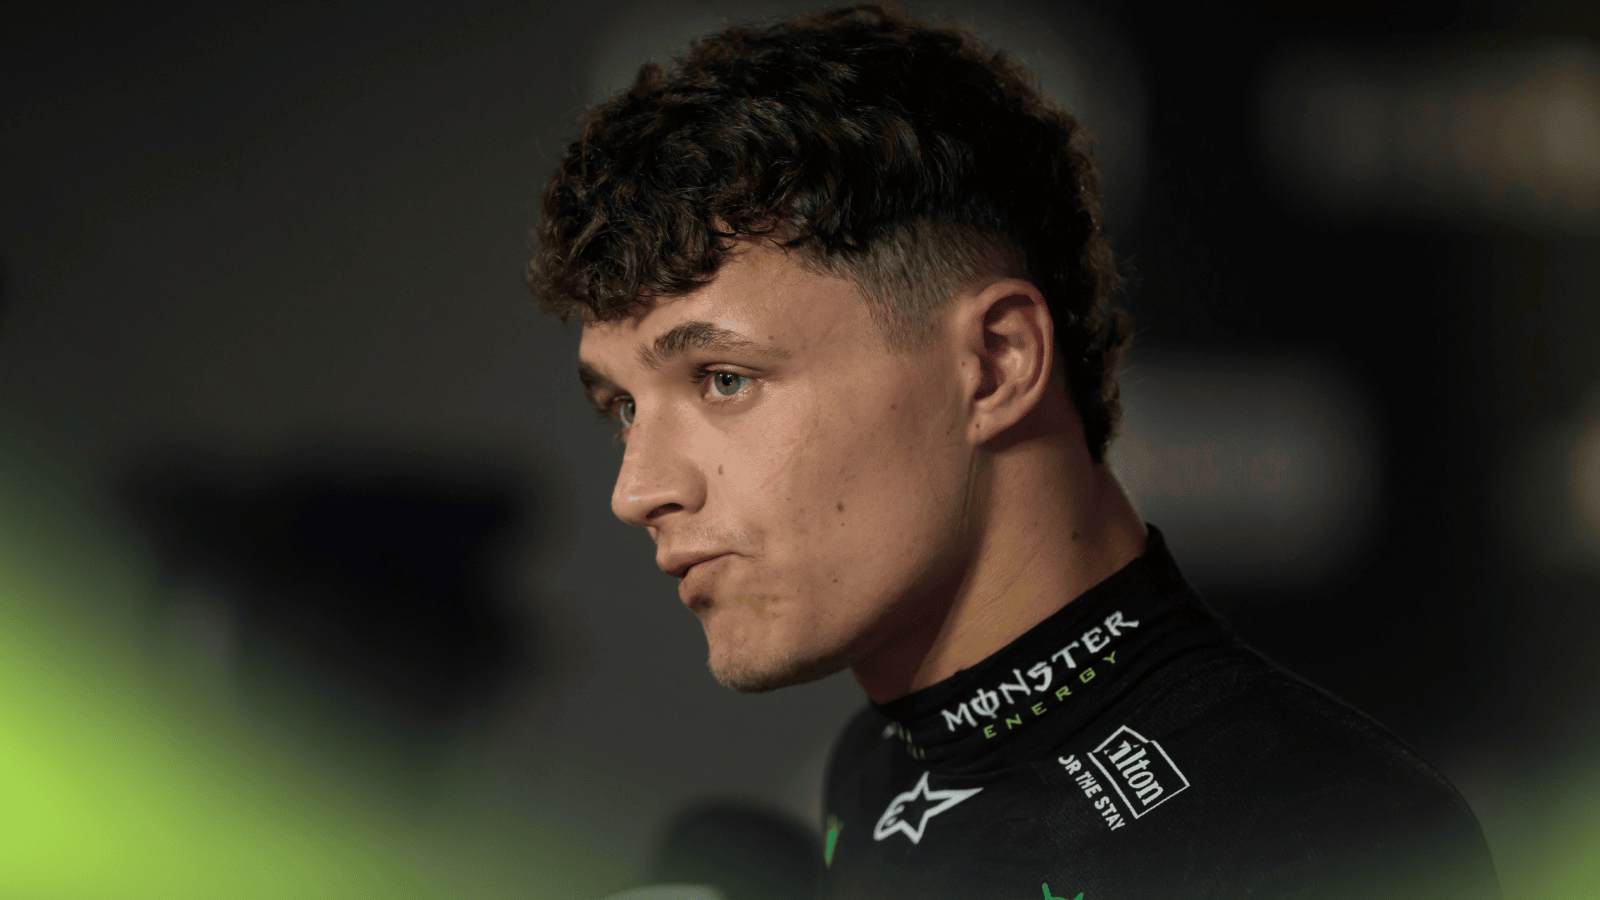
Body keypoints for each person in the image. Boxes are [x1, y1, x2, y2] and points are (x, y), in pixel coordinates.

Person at [527, 4, 1501, 898]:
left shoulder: (1318, 833)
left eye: (723, 379)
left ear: (997, 364)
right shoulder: (875, 769)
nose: (637, 489)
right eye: (623, 407)